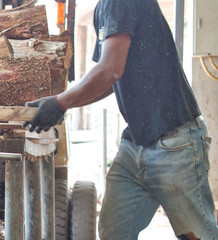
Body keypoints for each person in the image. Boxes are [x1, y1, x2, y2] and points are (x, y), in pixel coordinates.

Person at [24, 0, 218, 239]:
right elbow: (111, 79)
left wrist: (60, 102)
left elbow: (110, 70)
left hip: (175, 142)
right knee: (113, 231)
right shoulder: (104, 8)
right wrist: (62, 105)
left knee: (200, 235)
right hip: (135, 146)